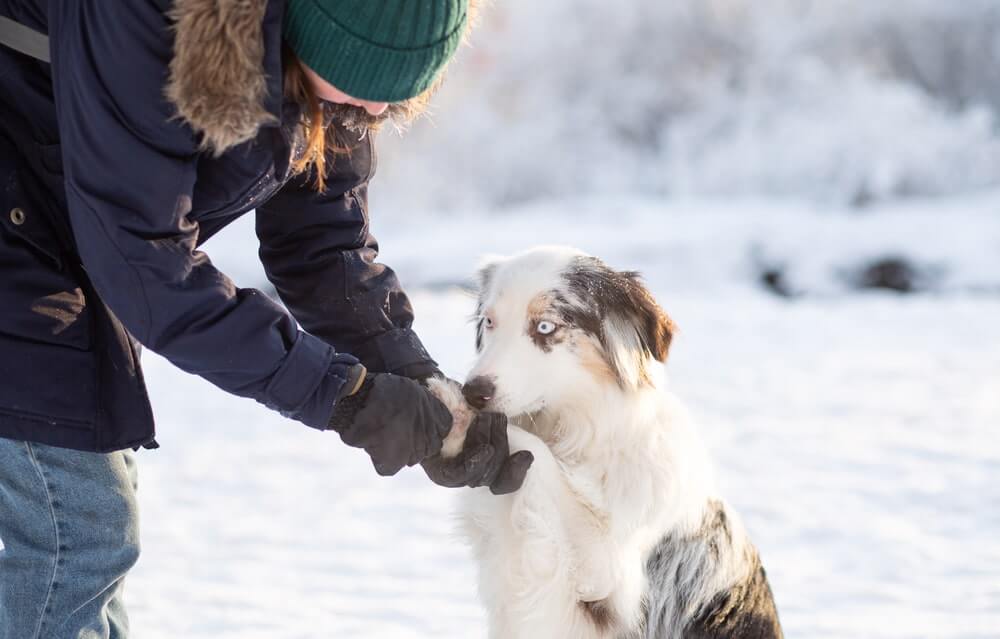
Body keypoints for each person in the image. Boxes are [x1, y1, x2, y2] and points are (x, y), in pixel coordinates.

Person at [0, 0, 533, 636]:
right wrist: (347, 398)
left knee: (86, 531)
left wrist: (413, 377)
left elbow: (321, 243)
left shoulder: (321, 62)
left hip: (57, 223)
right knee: (78, 530)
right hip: (20, 212)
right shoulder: (144, 13)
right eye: (364, 90)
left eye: (396, 100)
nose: (374, 114)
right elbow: (146, 262)